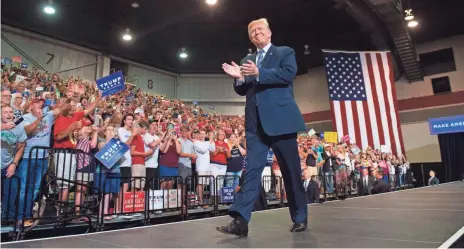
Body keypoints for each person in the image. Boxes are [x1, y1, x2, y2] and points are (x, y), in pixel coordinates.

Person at [219, 18, 308, 237]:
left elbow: (288, 74)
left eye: (260, 29)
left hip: (282, 121)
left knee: (291, 172)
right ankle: (240, 221)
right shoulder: (247, 59)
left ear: (269, 33)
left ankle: (299, 217)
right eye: (252, 31)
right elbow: (243, 89)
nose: (256, 32)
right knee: (251, 172)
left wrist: (259, 73)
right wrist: (240, 78)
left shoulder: (284, 52)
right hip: (255, 124)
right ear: (250, 37)